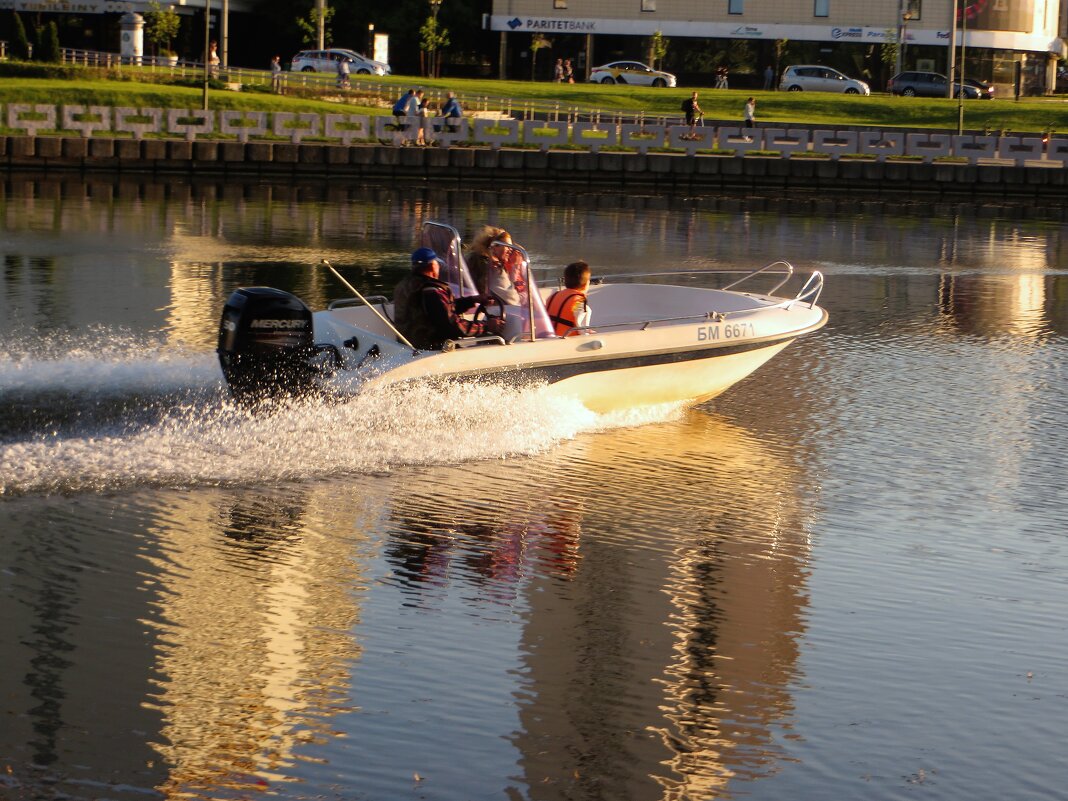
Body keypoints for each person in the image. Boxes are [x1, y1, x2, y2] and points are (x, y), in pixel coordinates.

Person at [393, 247, 504, 350]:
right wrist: (486, 326)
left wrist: (473, 300)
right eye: (437, 264)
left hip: (408, 345)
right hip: (433, 348)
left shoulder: (405, 286)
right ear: (433, 266)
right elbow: (452, 325)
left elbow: (440, 310)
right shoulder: (432, 291)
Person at [466, 226, 523, 306]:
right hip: (493, 312)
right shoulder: (494, 269)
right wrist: (515, 269)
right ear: (494, 247)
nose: (510, 250)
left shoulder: (474, 260)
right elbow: (514, 299)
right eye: (507, 246)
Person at [545, 260, 592, 337]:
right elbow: (583, 333)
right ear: (586, 284)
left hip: (547, 340)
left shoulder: (552, 297)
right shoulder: (580, 304)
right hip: (566, 344)